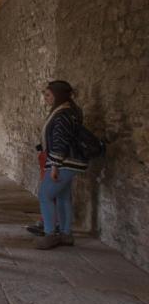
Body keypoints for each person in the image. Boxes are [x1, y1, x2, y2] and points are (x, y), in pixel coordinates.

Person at [35, 80, 87, 249]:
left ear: (58, 95)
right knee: (63, 197)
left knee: (45, 195)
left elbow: (60, 141)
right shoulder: (69, 111)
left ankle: (50, 234)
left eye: (49, 95)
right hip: (69, 162)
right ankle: (66, 234)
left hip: (64, 162)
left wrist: (55, 165)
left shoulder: (63, 114)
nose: (46, 98)